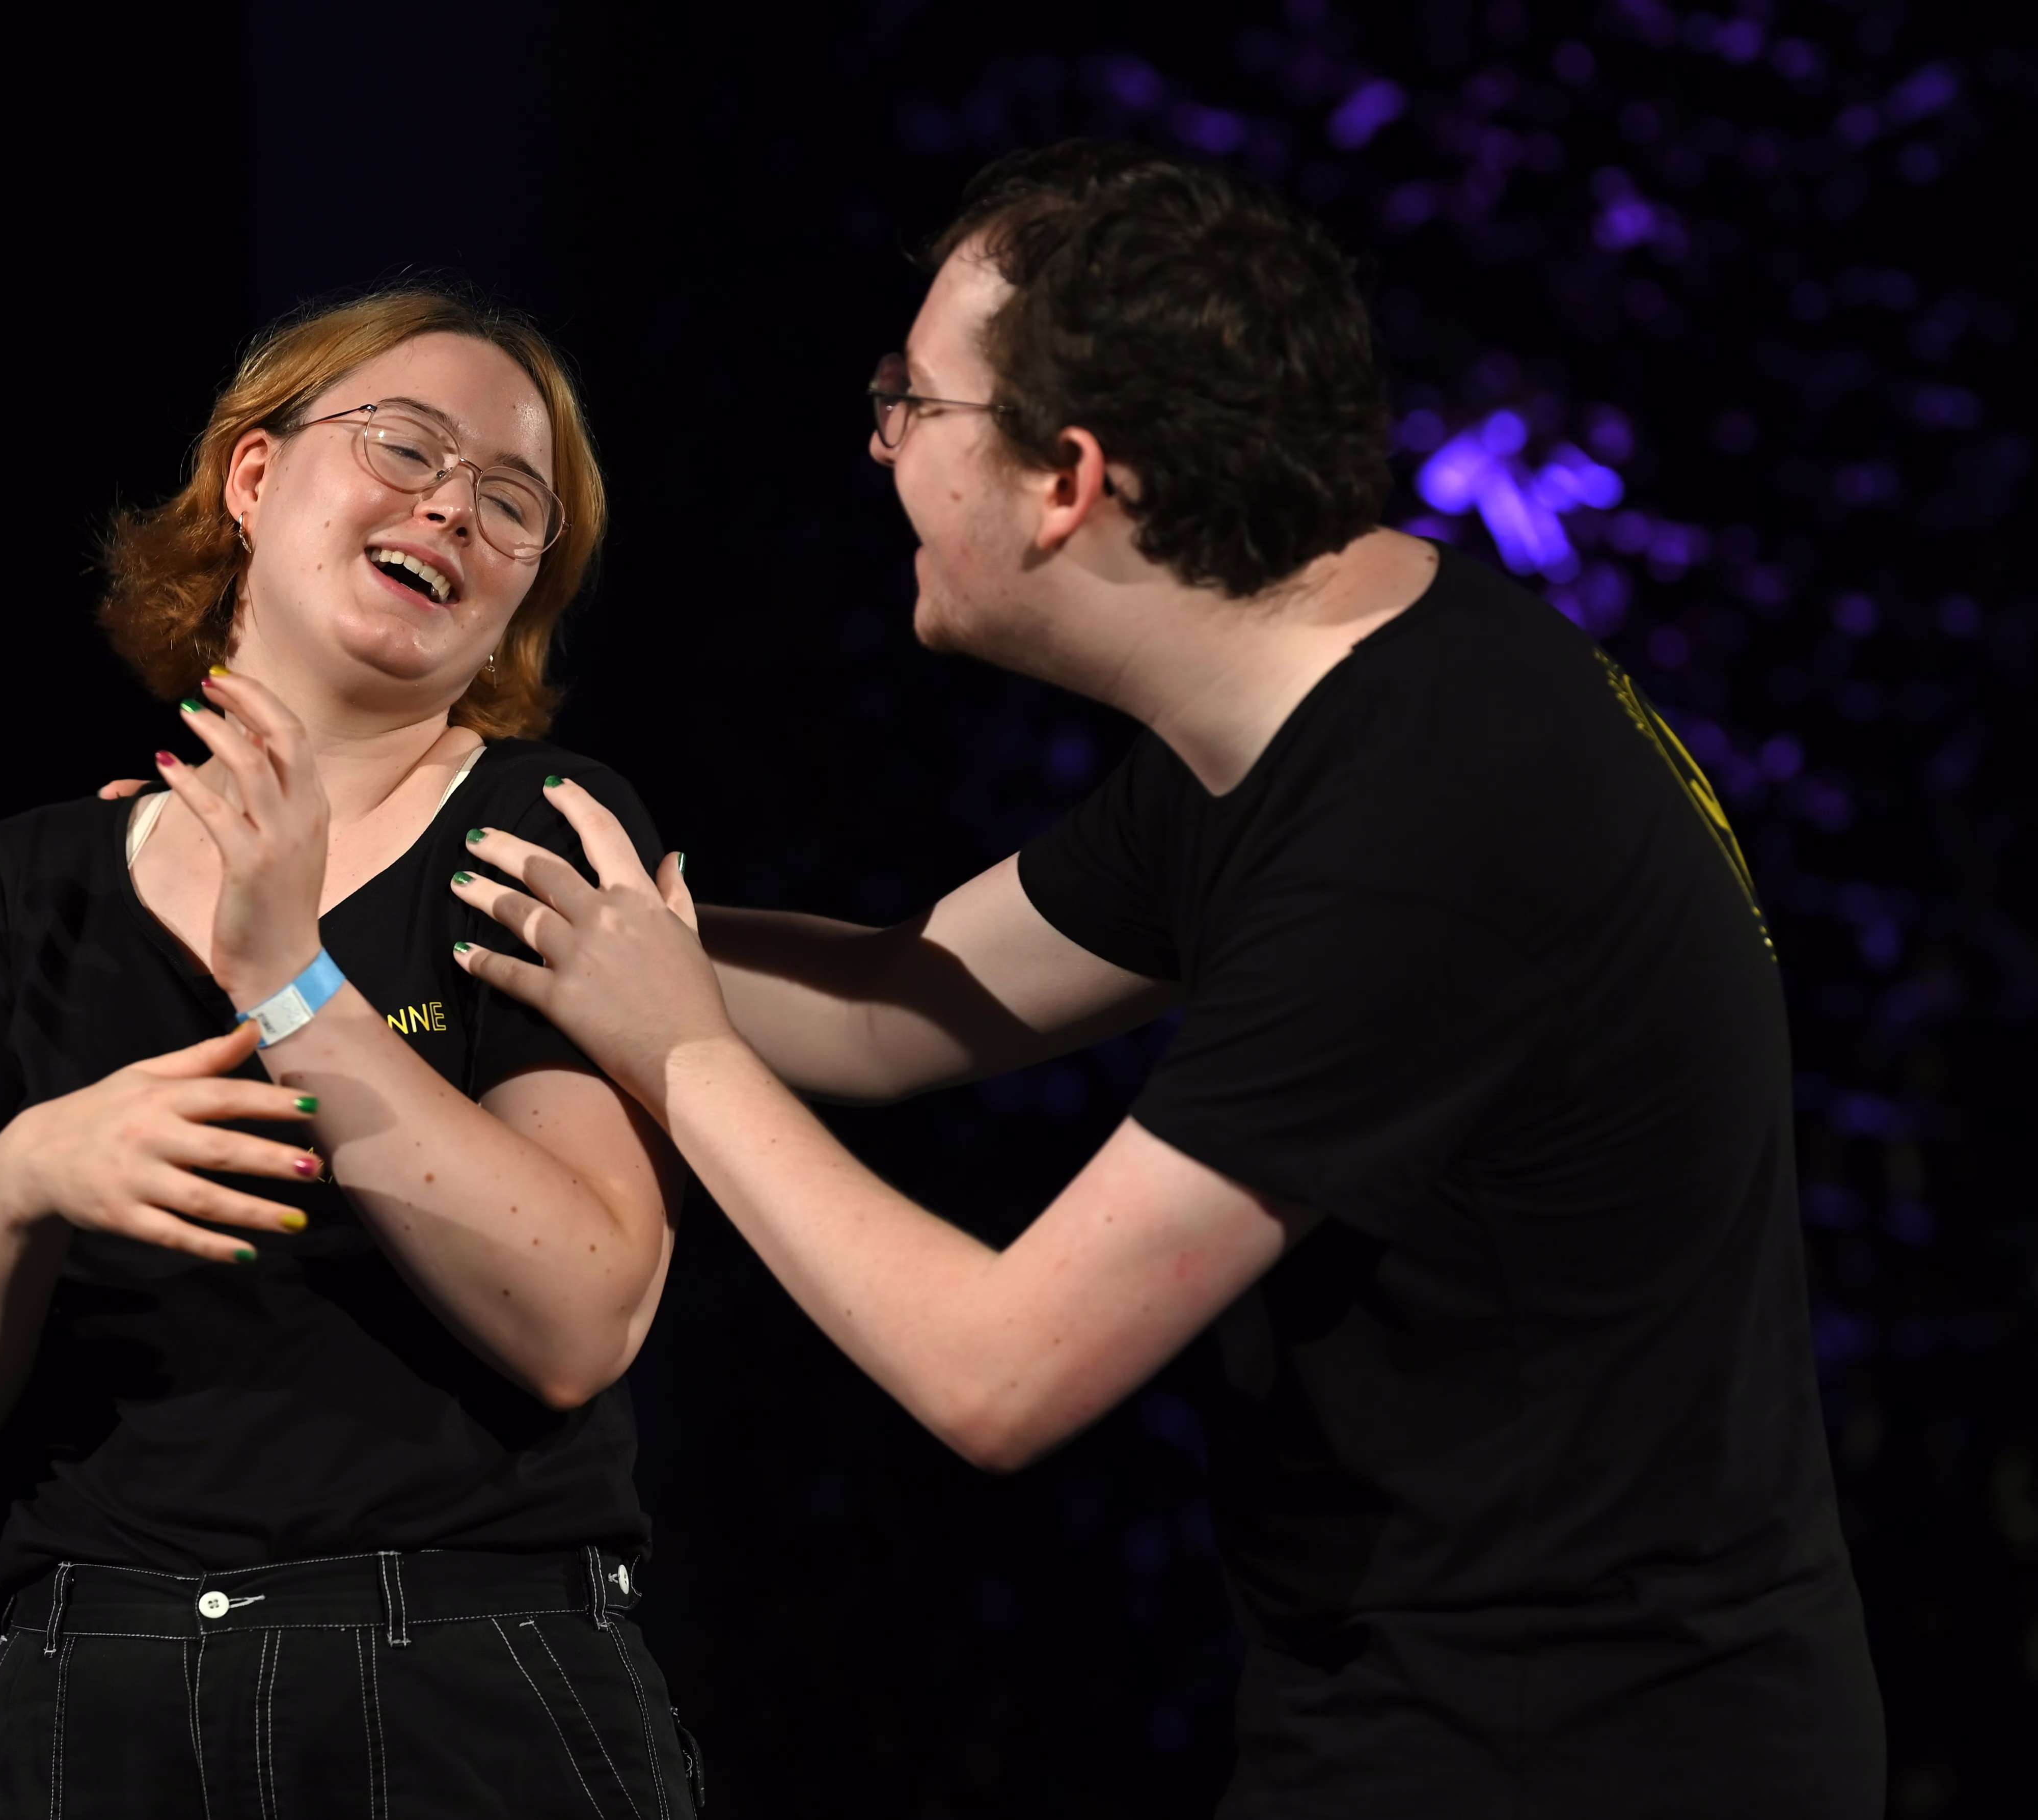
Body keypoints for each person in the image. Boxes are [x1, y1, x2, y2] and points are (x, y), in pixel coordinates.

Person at [446, 142, 1884, 1816]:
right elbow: (904, 1003)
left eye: (915, 400)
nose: (879, 441)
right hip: (1423, 1703)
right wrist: (457, 886)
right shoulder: (1328, 675)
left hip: (1591, 1753)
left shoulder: (1419, 833)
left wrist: (679, 1050)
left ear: (1066, 478)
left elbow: (998, 1371)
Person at [0, 287, 701, 1818]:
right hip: (94, 1684)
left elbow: (581, 1310)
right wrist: (28, 1174)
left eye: (514, 502)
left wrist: (290, 978)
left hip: (454, 1671)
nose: (452, 506)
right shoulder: (36, 877)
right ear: (255, 475)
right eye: (406, 446)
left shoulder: (539, 832)